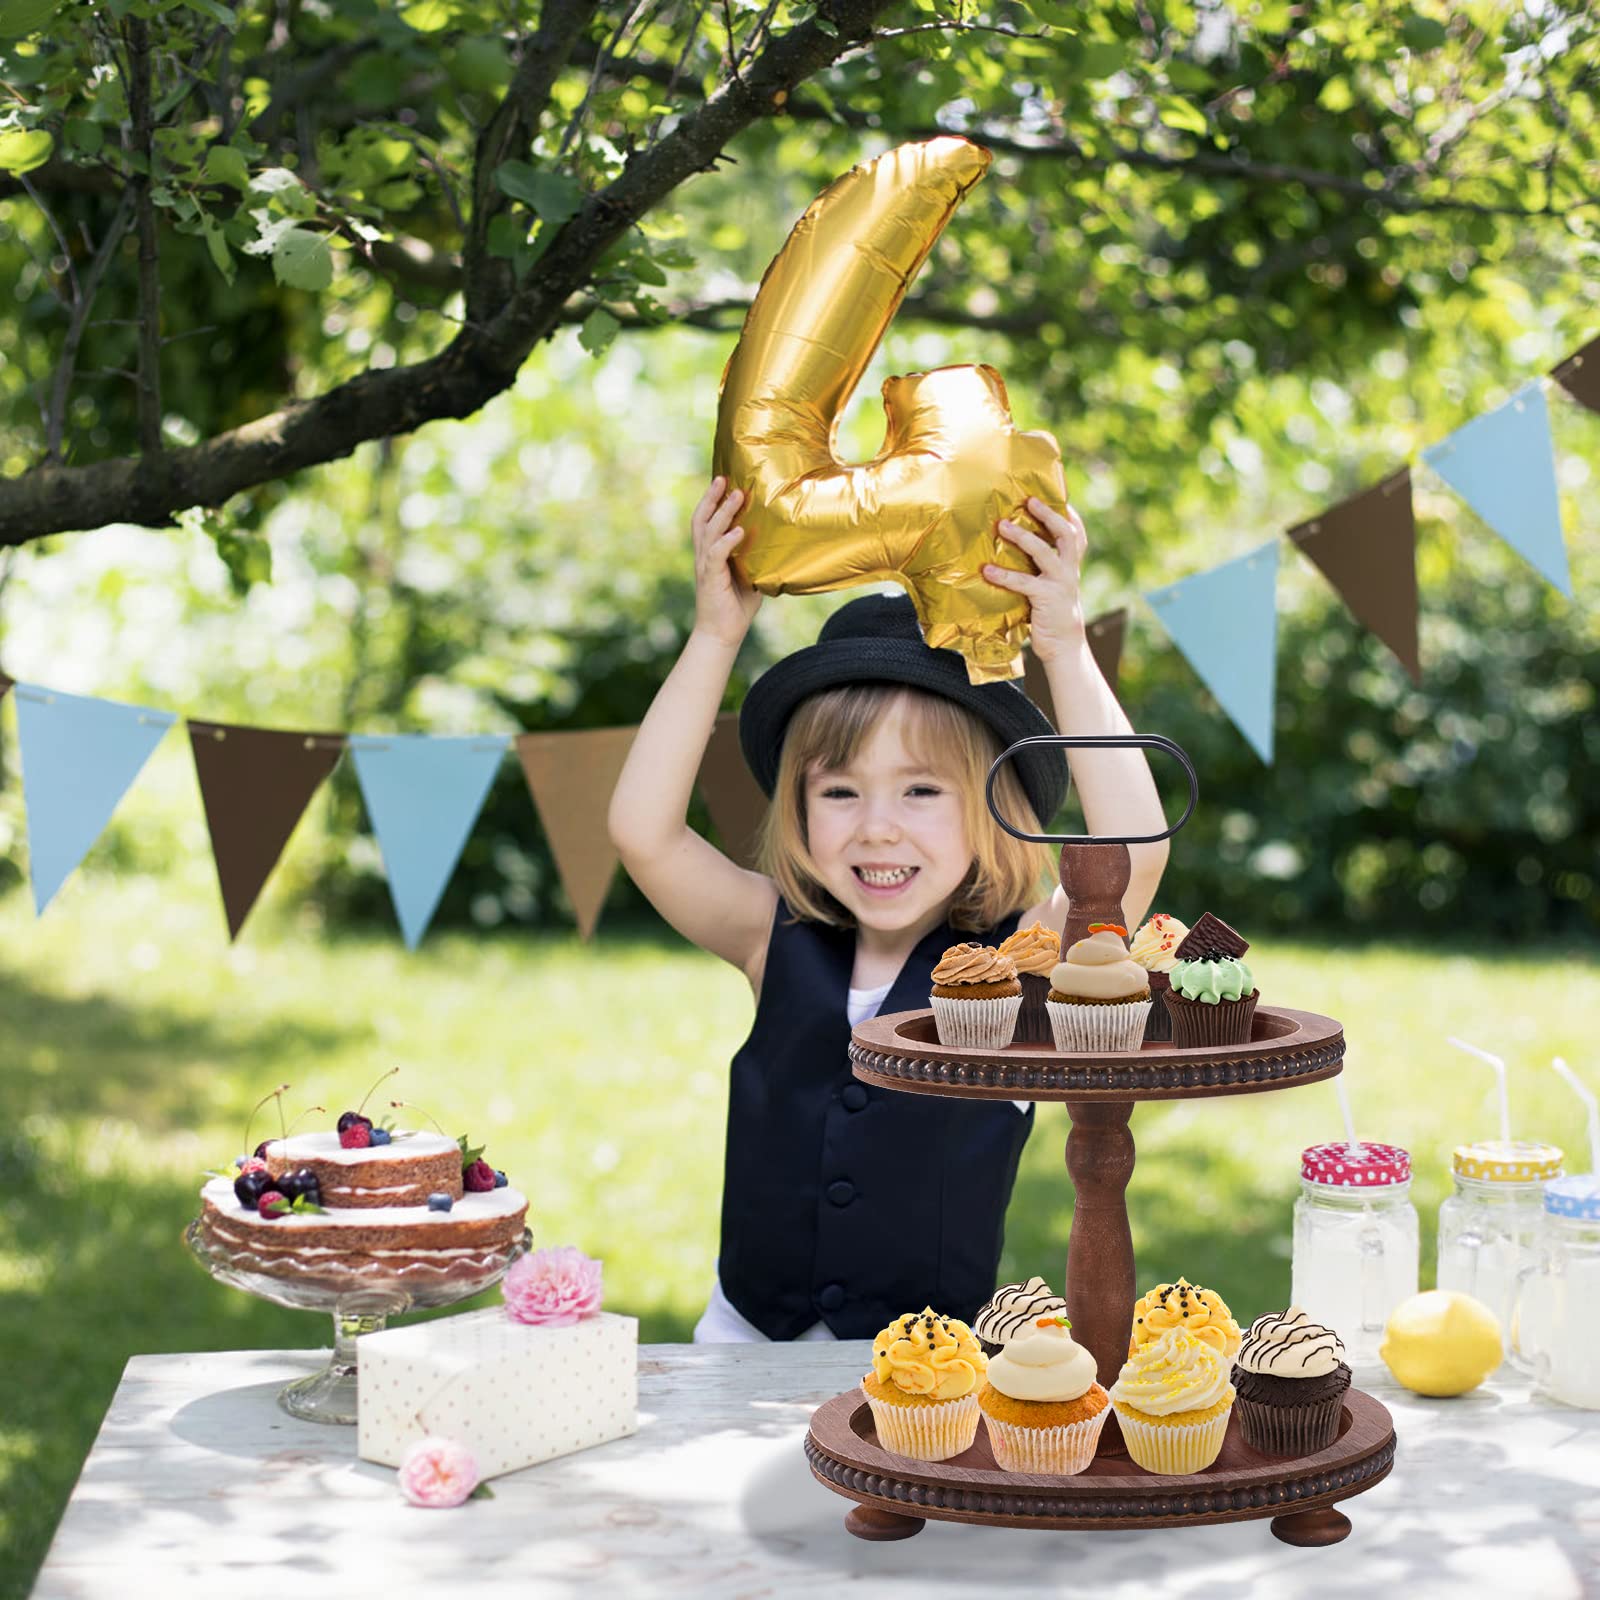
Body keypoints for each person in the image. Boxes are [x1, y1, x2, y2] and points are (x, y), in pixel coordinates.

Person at [607, 478, 1171, 1342]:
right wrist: (716, 635)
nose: (877, 829)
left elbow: (1133, 857)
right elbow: (643, 833)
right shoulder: (769, 935)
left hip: (932, 1373)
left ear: (994, 804)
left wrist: (1063, 644)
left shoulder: (1026, 961)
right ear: (796, 804)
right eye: (839, 791)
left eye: (919, 790)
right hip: (743, 1345)